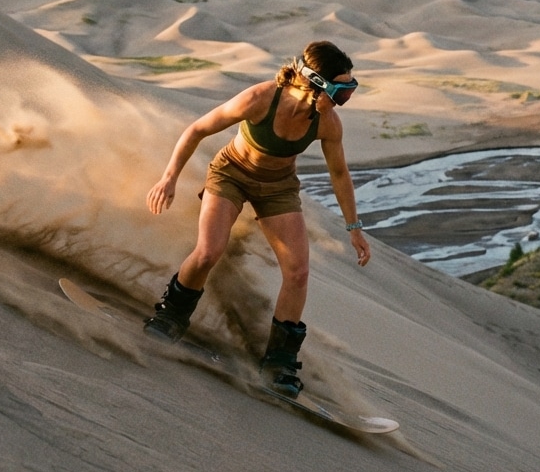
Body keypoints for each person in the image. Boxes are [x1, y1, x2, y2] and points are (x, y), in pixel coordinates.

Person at [145, 40, 371, 397]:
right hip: (231, 175)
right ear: (315, 83)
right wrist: (168, 178)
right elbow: (197, 130)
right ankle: (170, 316)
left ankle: (279, 362)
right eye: (340, 92)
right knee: (208, 253)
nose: (344, 101)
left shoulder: (327, 123)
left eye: (349, 91)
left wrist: (354, 228)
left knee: (298, 272)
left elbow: (339, 174)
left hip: (278, 188)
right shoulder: (259, 99)